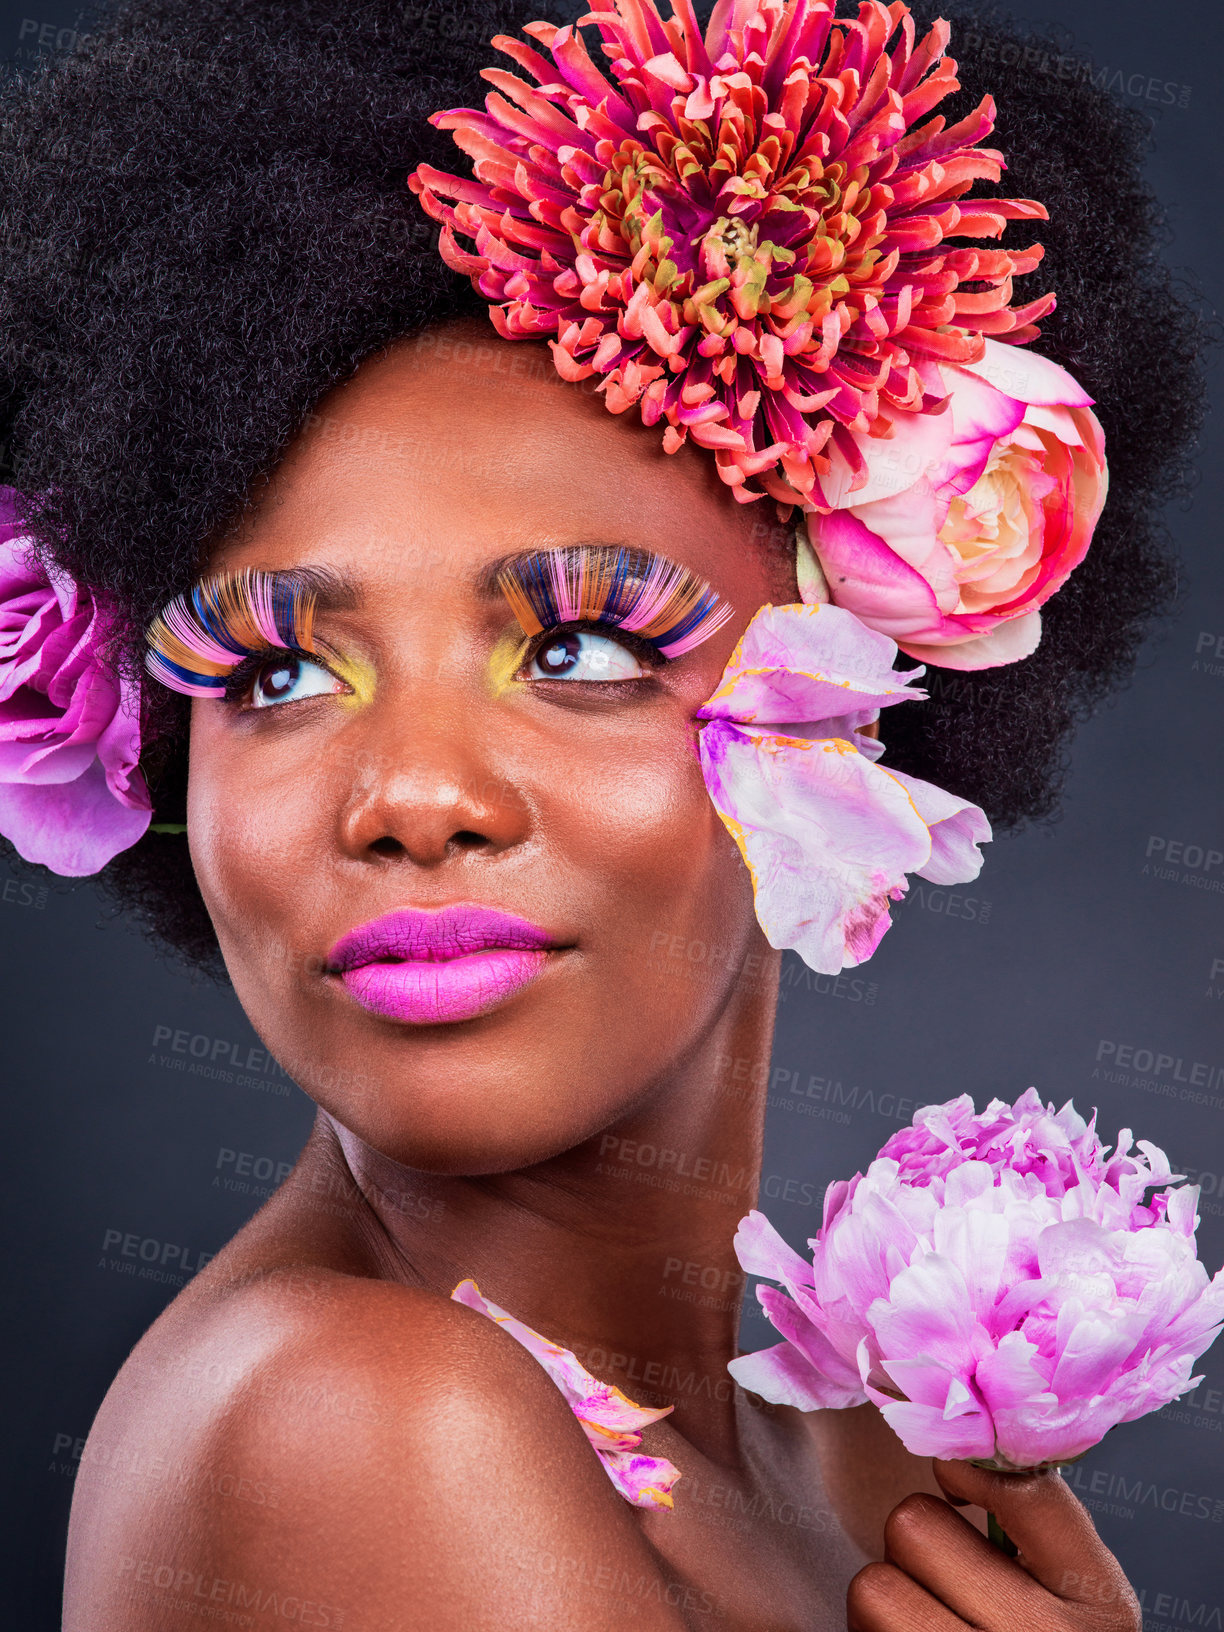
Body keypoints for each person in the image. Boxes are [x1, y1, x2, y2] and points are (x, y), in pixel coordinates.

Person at [0, 0, 1203, 1627]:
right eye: (276, 674)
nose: (415, 799)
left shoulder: (847, 1453)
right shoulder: (366, 1414)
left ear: (851, 708)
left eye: (579, 648)